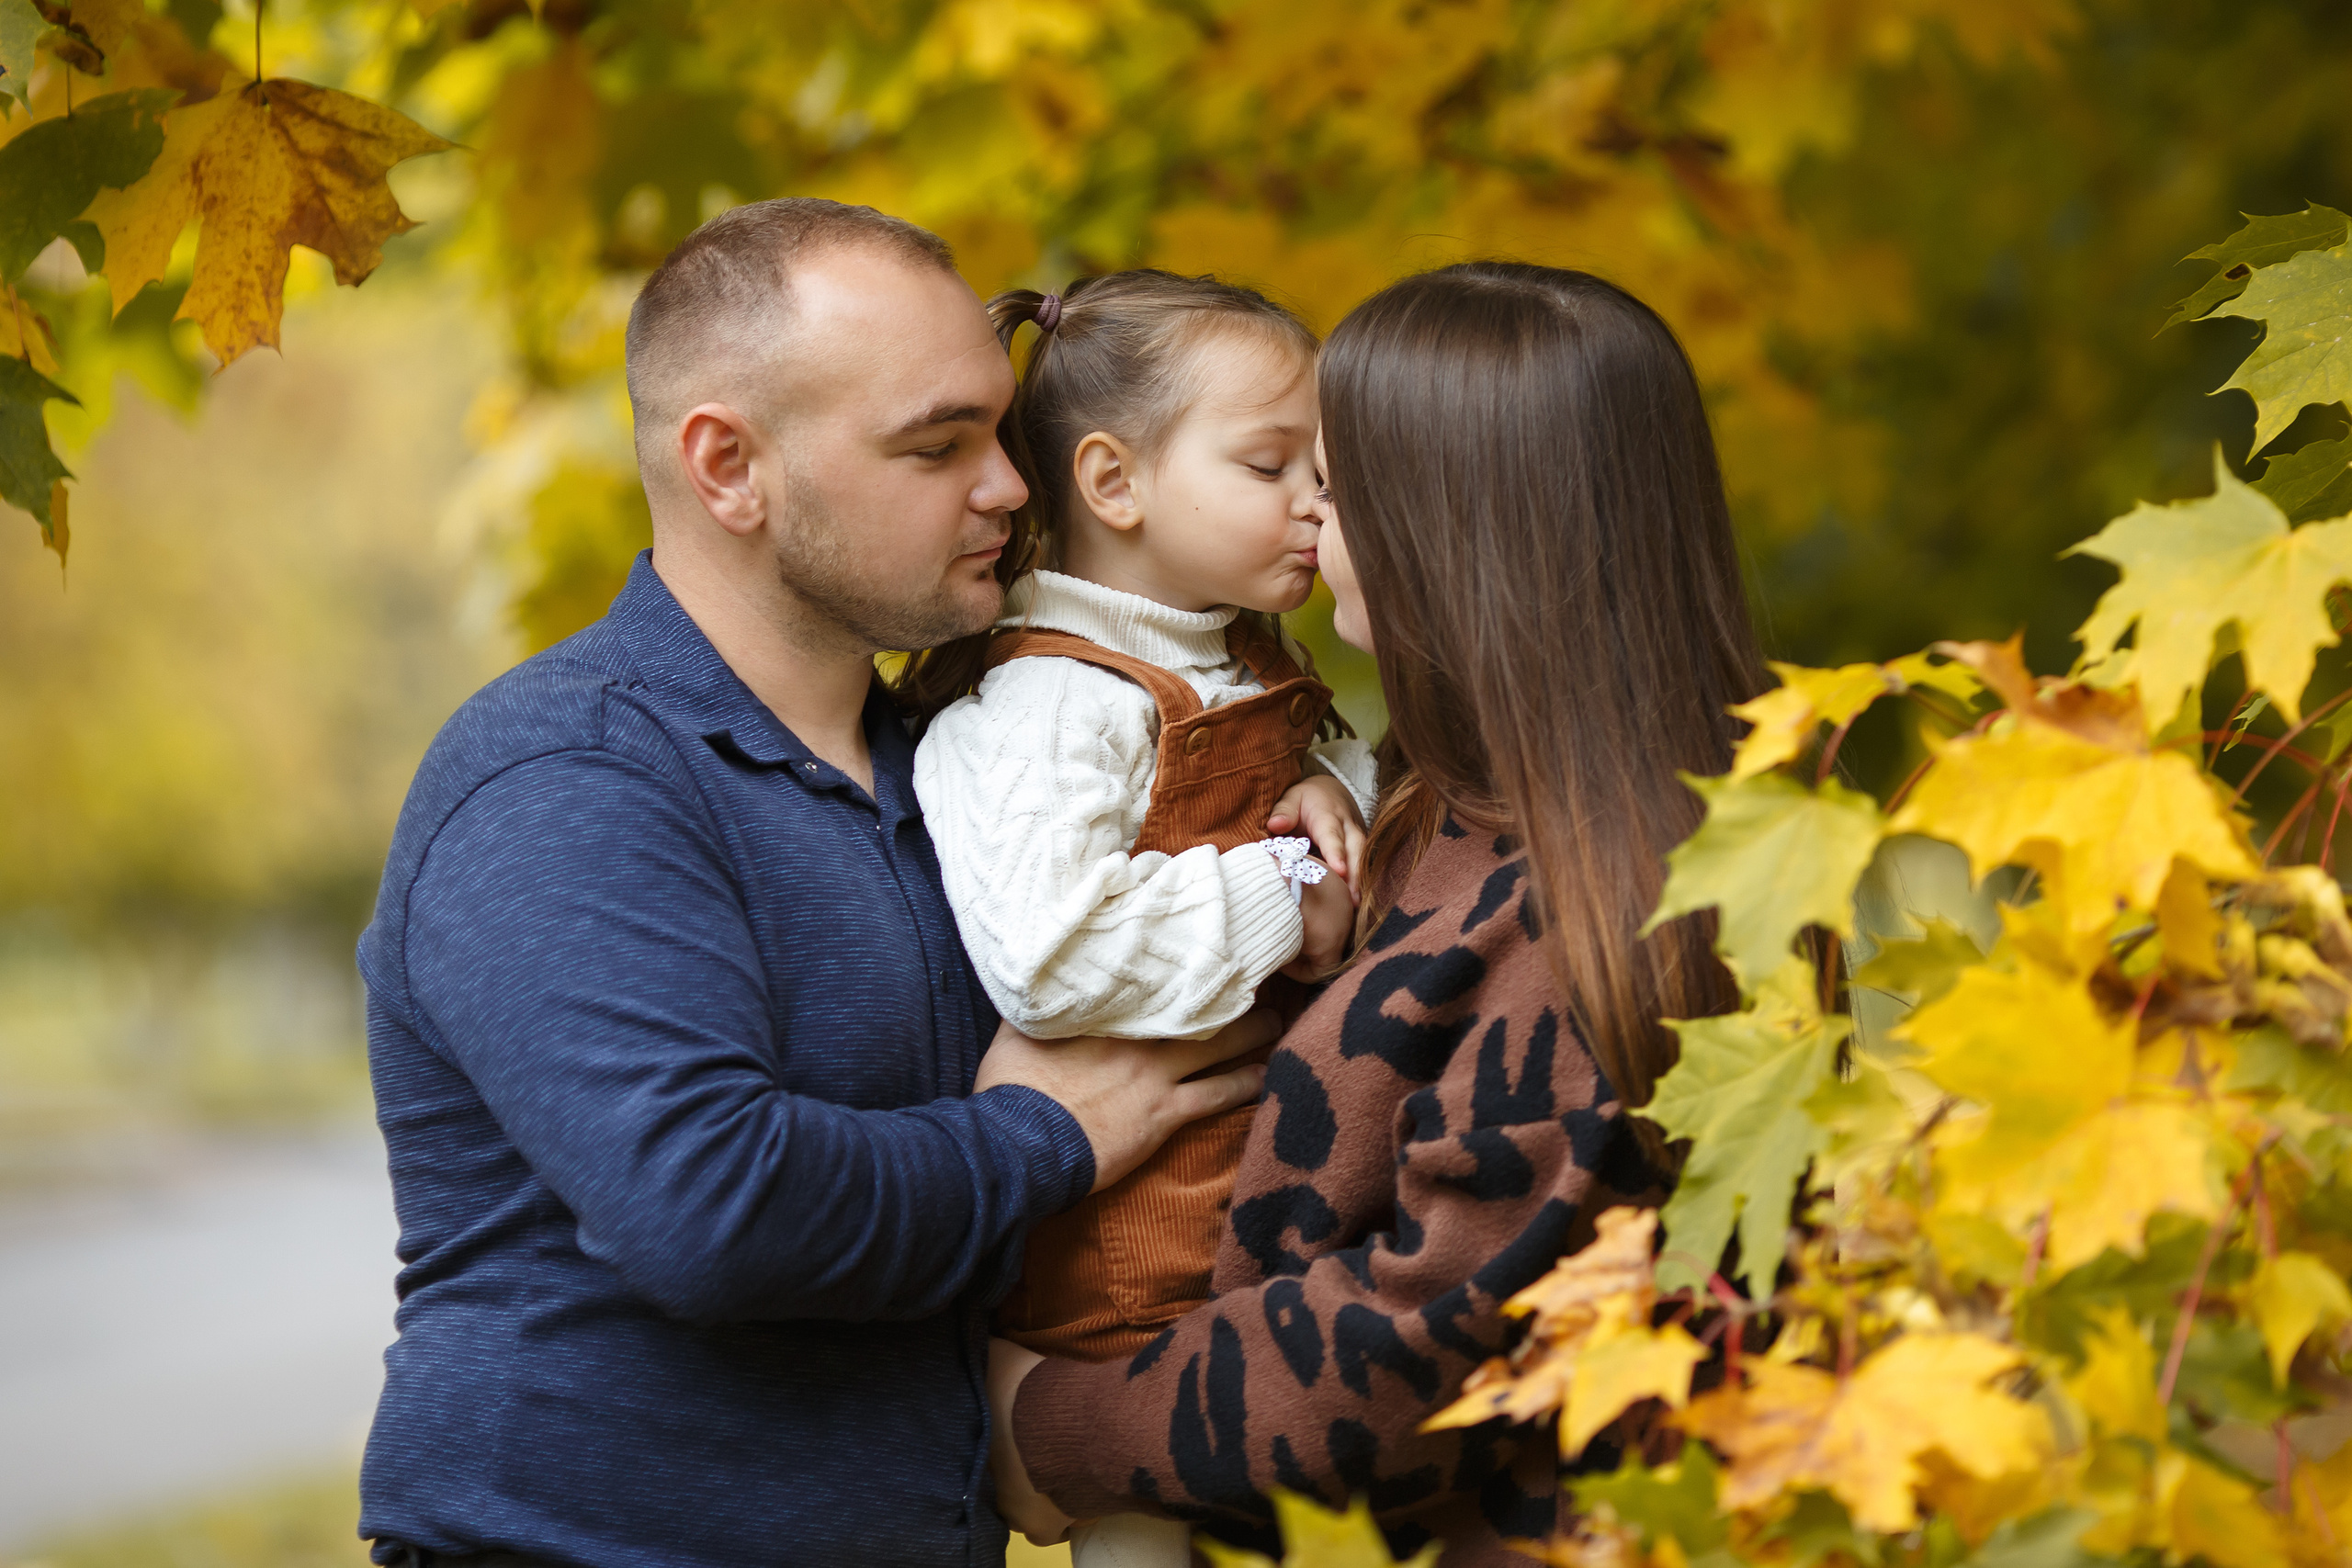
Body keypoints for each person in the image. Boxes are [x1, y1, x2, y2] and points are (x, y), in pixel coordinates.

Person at [353, 198, 1269, 1568]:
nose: (1012, 488)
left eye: (1001, 435)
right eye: (936, 445)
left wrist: (1297, 802)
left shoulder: (972, 768)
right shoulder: (567, 776)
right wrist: (1042, 1136)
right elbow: (711, 1210)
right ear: (729, 466)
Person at [986, 263, 1770, 1566]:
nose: (1305, 523)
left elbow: (1404, 1348)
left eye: (1338, 490)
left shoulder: (1607, 905)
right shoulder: (1442, 803)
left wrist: (1046, 1427)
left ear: (1452, 532)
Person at [899, 271, 1379, 1568]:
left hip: (1260, 1211)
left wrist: (1333, 793)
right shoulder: (1054, 707)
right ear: (1115, 486)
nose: (1317, 506)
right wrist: (1288, 889)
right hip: (1131, 1256)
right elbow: (1052, 955)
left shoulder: (1239, 660)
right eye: (1271, 464)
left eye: (1323, 472)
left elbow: (1329, 793)